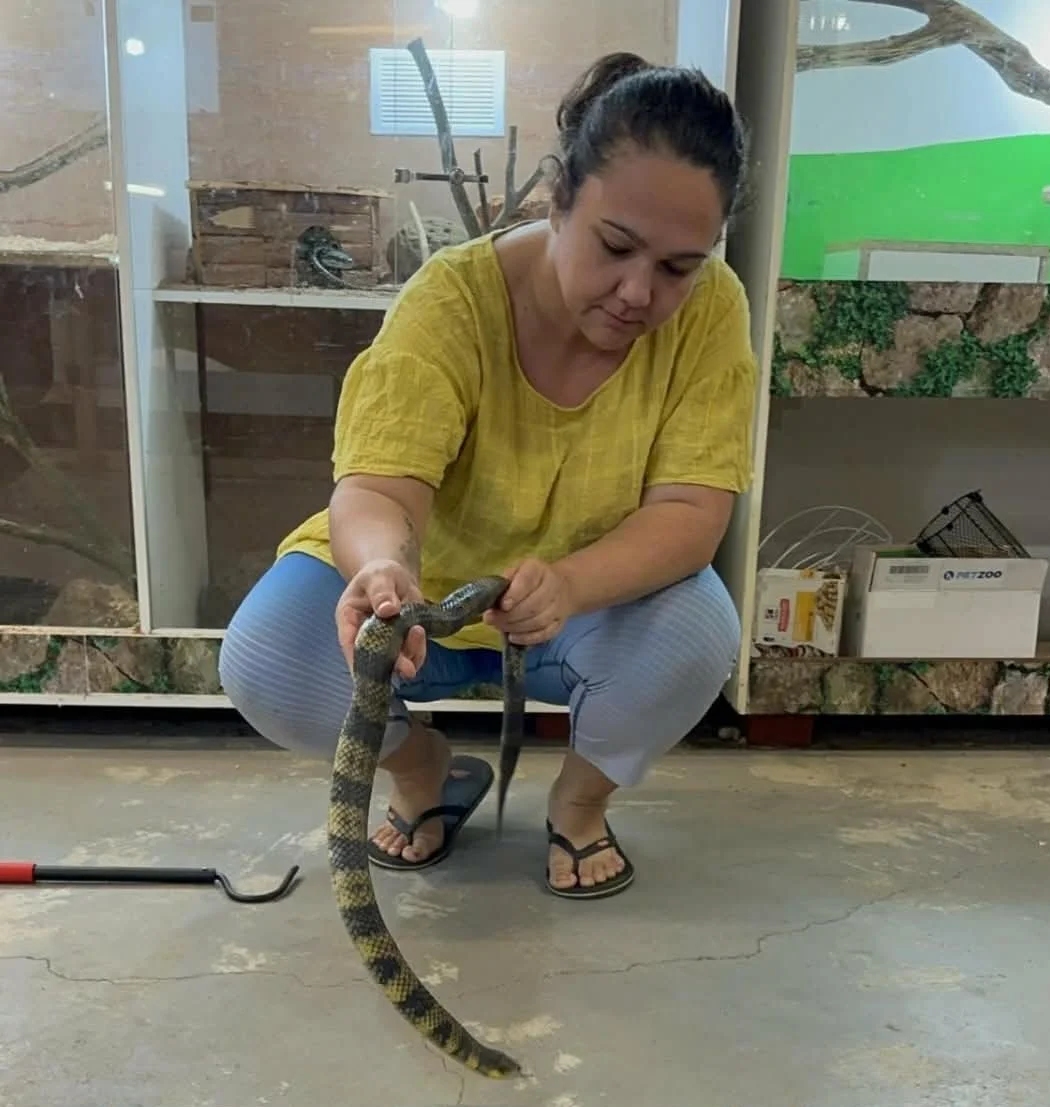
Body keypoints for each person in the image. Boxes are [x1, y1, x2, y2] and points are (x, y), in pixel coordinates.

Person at [219, 51, 757, 900]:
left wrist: (573, 583)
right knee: (269, 658)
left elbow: (693, 512)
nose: (636, 292)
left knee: (698, 635)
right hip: (423, 601)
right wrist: (380, 568)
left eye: (676, 268)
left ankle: (578, 806)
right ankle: (425, 770)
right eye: (616, 246)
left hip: (582, 607)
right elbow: (376, 489)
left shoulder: (714, 311)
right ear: (558, 200)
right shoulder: (450, 301)